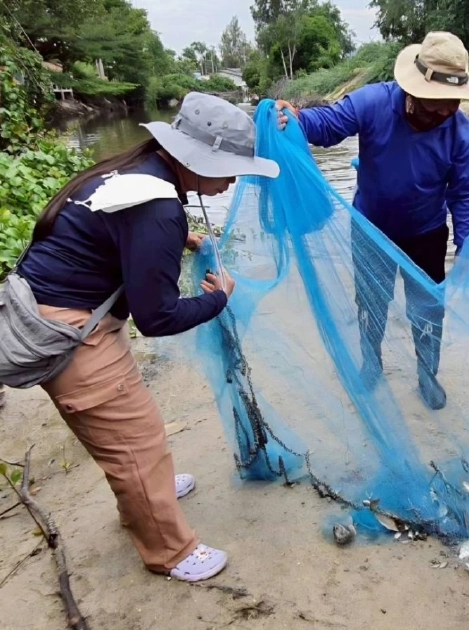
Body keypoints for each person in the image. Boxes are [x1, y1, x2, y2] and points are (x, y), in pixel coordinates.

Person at [12, 93, 279, 582]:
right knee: (135, 440)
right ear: (197, 160)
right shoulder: (158, 208)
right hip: (72, 334)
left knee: (129, 434)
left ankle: (145, 493)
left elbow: (115, 231)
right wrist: (217, 299)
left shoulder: (133, 172)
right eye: (229, 169)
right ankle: (170, 552)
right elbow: (155, 318)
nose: (233, 181)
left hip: (62, 309)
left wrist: (185, 238)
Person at [275, 31, 469, 410]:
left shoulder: (461, 133)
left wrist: (466, 246)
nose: (446, 110)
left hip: (428, 234)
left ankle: (427, 372)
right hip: (371, 229)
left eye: (453, 102)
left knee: (428, 307)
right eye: (437, 102)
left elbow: (464, 194)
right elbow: (328, 126)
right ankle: (372, 363)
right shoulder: (374, 102)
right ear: (413, 91)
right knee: (371, 302)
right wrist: (296, 120)